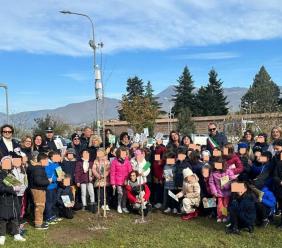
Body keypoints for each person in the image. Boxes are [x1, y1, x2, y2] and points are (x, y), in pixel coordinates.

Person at [0, 156, 26, 245]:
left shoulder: (11, 175)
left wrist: (19, 188)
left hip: (13, 199)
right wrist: (12, 188)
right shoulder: (0, 174)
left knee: (14, 217)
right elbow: (1, 188)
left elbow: (17, 186)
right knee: (2, 218)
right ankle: (1, 236)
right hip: (4, 199)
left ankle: (16, 234)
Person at [29, 153, 50, 230]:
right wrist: (48, 181)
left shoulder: (39, 168)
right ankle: (38, 224)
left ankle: (39, 221)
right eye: (47, 160)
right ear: (42, 160)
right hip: (38, 190)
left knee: (40, 206)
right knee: (40, 206)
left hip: (39, 189)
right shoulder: (38, 169)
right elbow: (38, 181)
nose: (48, 162)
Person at [110, 147, 132, 213]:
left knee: (125, 194)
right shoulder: (114, 161)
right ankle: (119, 205)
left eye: (125, 153)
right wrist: (113, 183)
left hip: (125, 181)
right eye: (122, 153)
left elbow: (130, 171)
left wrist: (129, 179)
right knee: (120, 193)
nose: (123, 154)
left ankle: (124, 206)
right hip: (118, 181)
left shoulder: (127, 161)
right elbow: (112, 173)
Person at [44, 151, 61, 224]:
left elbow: (59, 173)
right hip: (49, 187)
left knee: (54, 201)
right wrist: (56, 179)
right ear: (51, 157)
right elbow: (48, 177)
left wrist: (61, 176)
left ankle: (53, 216)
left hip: (55, 186)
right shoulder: (47, 165)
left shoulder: (56, 164)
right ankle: (48, 217)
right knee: (49, 202)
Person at [152, 138, 166, 209]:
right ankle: (156, 202)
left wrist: (160, 177)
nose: (157, 141)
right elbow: (151, 162)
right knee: (156, 189)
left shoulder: (163, 149)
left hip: (161, 174)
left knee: (160, 188)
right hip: (154, 174)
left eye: (159, 139)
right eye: (156, 139)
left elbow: (164, 162)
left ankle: (160, 202)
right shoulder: (154, 150)